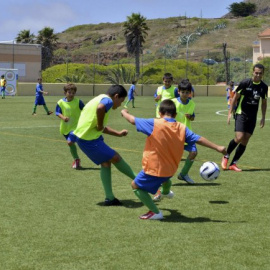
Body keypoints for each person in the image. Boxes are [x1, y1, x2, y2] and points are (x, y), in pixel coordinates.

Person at [121, 100, 227, 220]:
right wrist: (217, 147)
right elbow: (199, 139)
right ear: (175, 115)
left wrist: (124, 112)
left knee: (135, 185)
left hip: (154, 169)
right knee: (165, 179)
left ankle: (155, 212)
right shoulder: (182, 127)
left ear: (160, 113)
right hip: (171, 169)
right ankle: (165, 192)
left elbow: (131, 120)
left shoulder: (154, 123)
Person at [70, 85, 136, 206]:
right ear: (116, 96)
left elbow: (99, 127)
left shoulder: (99, 97)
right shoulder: (108, 101)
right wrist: (100, 125)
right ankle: (140, 182)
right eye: (120, 101)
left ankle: (109, 198)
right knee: (115, 157)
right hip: (88, 140)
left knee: (106, 163)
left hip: (87, 137)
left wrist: (118, 134)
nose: (120, 104)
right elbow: (100, 110)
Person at [221, 64, 268, 172]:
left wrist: (263, 117)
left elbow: (264, 103)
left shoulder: (263, 87)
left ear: (262, 74)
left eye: (260, 73)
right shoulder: (245, 83)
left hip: (253, 116)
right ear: (253, 72)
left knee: (245, 139)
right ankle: (226, 156)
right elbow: (235, 98)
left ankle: (233, 164)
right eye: (256, 73)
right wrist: (229, 113)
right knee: (239, 137)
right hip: (241, 113)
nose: (258, 75)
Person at [172, 79, 196, 185]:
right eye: (183, 92)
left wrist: (190, 117)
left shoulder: (191, 103)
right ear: (178, 91)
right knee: (171, 157)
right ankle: (161, 177)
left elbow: (193, 117)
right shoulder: (173, 103)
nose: (185, 94)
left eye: (187, 92)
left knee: (194, 152)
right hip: (174, 134)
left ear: (190, 93)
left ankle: (184, 174)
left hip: (187, 133)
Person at [55, 83, 85, 169]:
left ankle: (77, 159)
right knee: (71, 144)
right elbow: (57, 112)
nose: (71, 94)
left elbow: (85, 110)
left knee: (70, 142)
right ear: (65, 93)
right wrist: (63, 117)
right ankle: (76, 159)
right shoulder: (60, 102)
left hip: (76, 127)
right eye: (69, 92)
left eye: (73, 93)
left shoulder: (78, 102)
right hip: (65, 127)